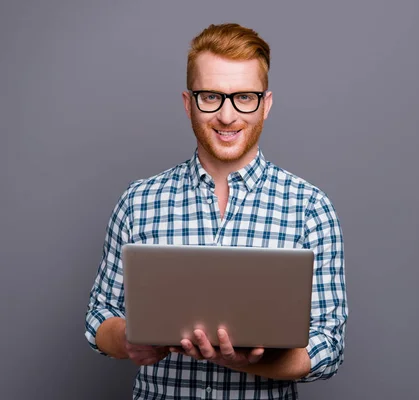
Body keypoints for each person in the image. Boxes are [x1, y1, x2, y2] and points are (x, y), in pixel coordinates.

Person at [85, 23, 347, 399]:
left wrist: (245, 362)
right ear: (188, 102)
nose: (227, 116)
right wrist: (128, 340)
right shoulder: (138, 201)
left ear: (266, 104)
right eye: (211, 97)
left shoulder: (310, 208)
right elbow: (98, 316)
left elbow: (328, 346)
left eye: (244, 97)